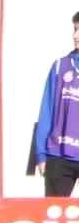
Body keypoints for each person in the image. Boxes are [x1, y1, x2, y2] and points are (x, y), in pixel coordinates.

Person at [33, 14, 79, 196]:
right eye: (75, 30)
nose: (76, 36)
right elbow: (47, 111)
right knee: (54, 213)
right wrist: (41, 154)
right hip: (59, 155)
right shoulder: (60, 66)